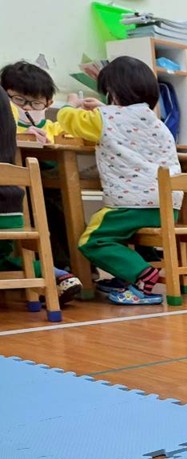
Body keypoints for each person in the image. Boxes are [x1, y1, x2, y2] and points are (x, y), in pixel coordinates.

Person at [56, 56, 181, 306]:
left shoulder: (104, 118)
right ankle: (127, 276)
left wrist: (70, 104)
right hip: (168, 206)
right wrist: (104, 109)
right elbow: (123, 126)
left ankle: (141, 274)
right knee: (118, 235)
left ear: (112, 92)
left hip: (131, 205)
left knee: (93, 241)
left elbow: (68, 120)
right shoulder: (157, 123)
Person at [1, 61, 80, 302]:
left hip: (46, 185)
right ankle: (51, 272)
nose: (27, 108)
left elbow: (68, 136)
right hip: (17, 191)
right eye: (19, 100)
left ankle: (63, 270)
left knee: (58, 207)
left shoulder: (51, 126)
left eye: (36, 103)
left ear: (47, 103)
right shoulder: (7, 120)